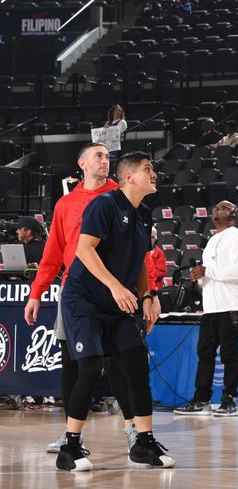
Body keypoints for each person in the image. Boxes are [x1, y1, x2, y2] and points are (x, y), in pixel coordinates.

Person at [24, 143, 155, 455]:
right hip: (77, 291)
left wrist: (149, 293)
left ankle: (133, 428)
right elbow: (53, 253)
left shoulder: (122, 196)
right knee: (73, 363)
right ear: (81, 163)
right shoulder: (66, 204)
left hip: (115, 293)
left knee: (121, 362)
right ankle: (73, 436)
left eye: (108, 156)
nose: (105, 160)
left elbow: (140, 255)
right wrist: (36, 293)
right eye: (99, 155)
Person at [56, 151, 172, 471]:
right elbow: (84, 249)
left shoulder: (144, 213)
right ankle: (70, 446)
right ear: (129, 177)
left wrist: (147, 296)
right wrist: (115, 286)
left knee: (136, 365)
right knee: (91, 368)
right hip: (84, 300)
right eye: (148, 169)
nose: (154, 174)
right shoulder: (104, 204)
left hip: (117, 302)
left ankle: (144, 444)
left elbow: (140, 263)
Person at [173, 200, 238, 417]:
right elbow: (210, 276)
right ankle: (202, 399)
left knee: (229, 354)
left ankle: (230, 400)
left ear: (233, 216)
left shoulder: (236, 236)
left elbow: (236, 271)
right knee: (205, 353)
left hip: (231, 305)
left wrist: (207, 271)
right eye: (216, 207)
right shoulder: (211, 240)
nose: (218, 209)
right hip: (211, 307)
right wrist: (198, 278)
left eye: (224, 207)